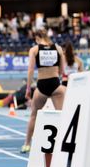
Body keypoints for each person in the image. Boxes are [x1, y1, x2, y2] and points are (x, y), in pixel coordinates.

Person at [21, 29, 66, 159]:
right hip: (56, 85)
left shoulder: (34, 50)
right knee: (61, 116)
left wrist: (28, 88)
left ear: (37, 38)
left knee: (34, 115)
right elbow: (62, 70)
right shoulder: (58, 49)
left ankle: (27, 144)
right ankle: (64, 143)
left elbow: (30, 70)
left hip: (42, 86)